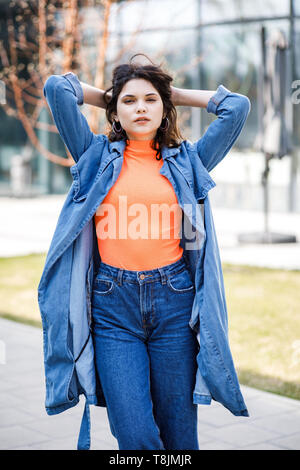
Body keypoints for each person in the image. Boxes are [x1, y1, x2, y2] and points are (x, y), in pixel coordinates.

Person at [38, 53, 251, 450]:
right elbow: (57, 89)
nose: (141, 108)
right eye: (130, 101)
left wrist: (172, 94)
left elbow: (237, 107)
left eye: (151, 100)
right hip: (113, 309)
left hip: (174, 305)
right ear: (114, 112)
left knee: (179, 437)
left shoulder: (189, 160)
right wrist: (112, 96)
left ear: (165, 108)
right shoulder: (94, 156)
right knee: (135, 435)